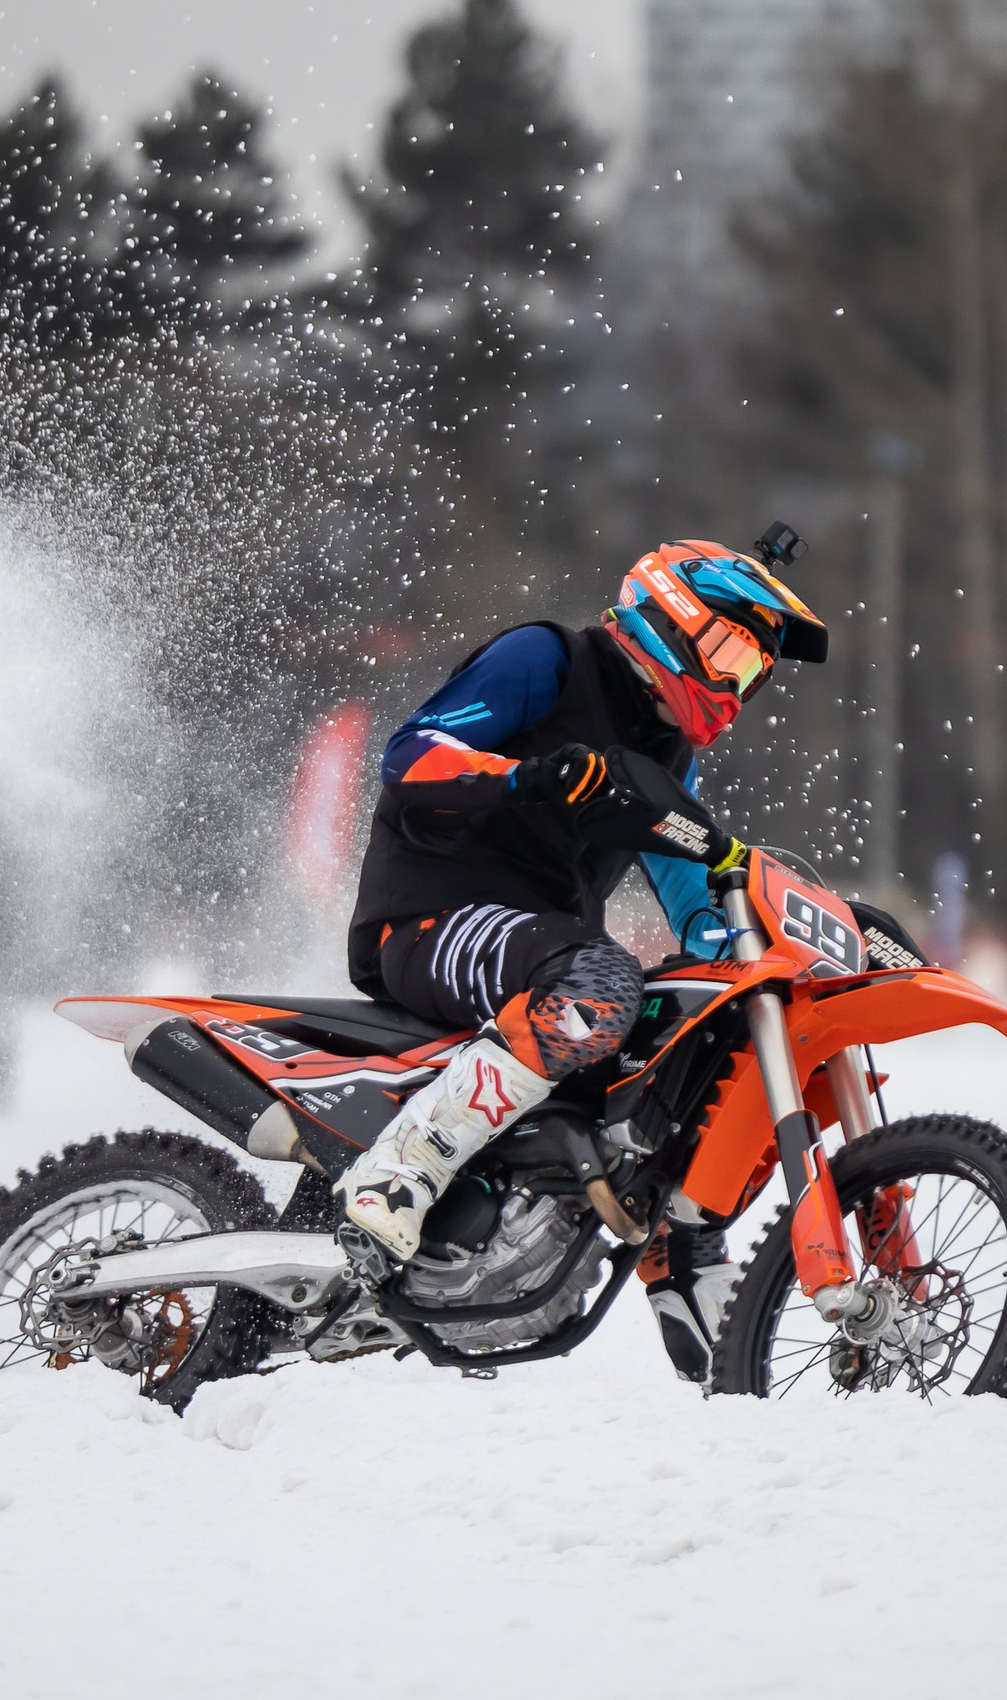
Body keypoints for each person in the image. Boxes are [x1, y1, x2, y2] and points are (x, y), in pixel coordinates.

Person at [340, 533, 829, 1383]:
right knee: (602, 981)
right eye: (729, 653)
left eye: (754, 673)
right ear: (673, 615)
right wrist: (520, 778)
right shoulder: (548, 659)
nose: (738, 689)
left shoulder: (669, 751)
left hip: (533, 950)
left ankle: (681, 1257)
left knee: (685, 1033)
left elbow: (691, 887)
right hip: (427, 919)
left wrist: (744, 947)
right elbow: (410, 754)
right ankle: (400, 1168)